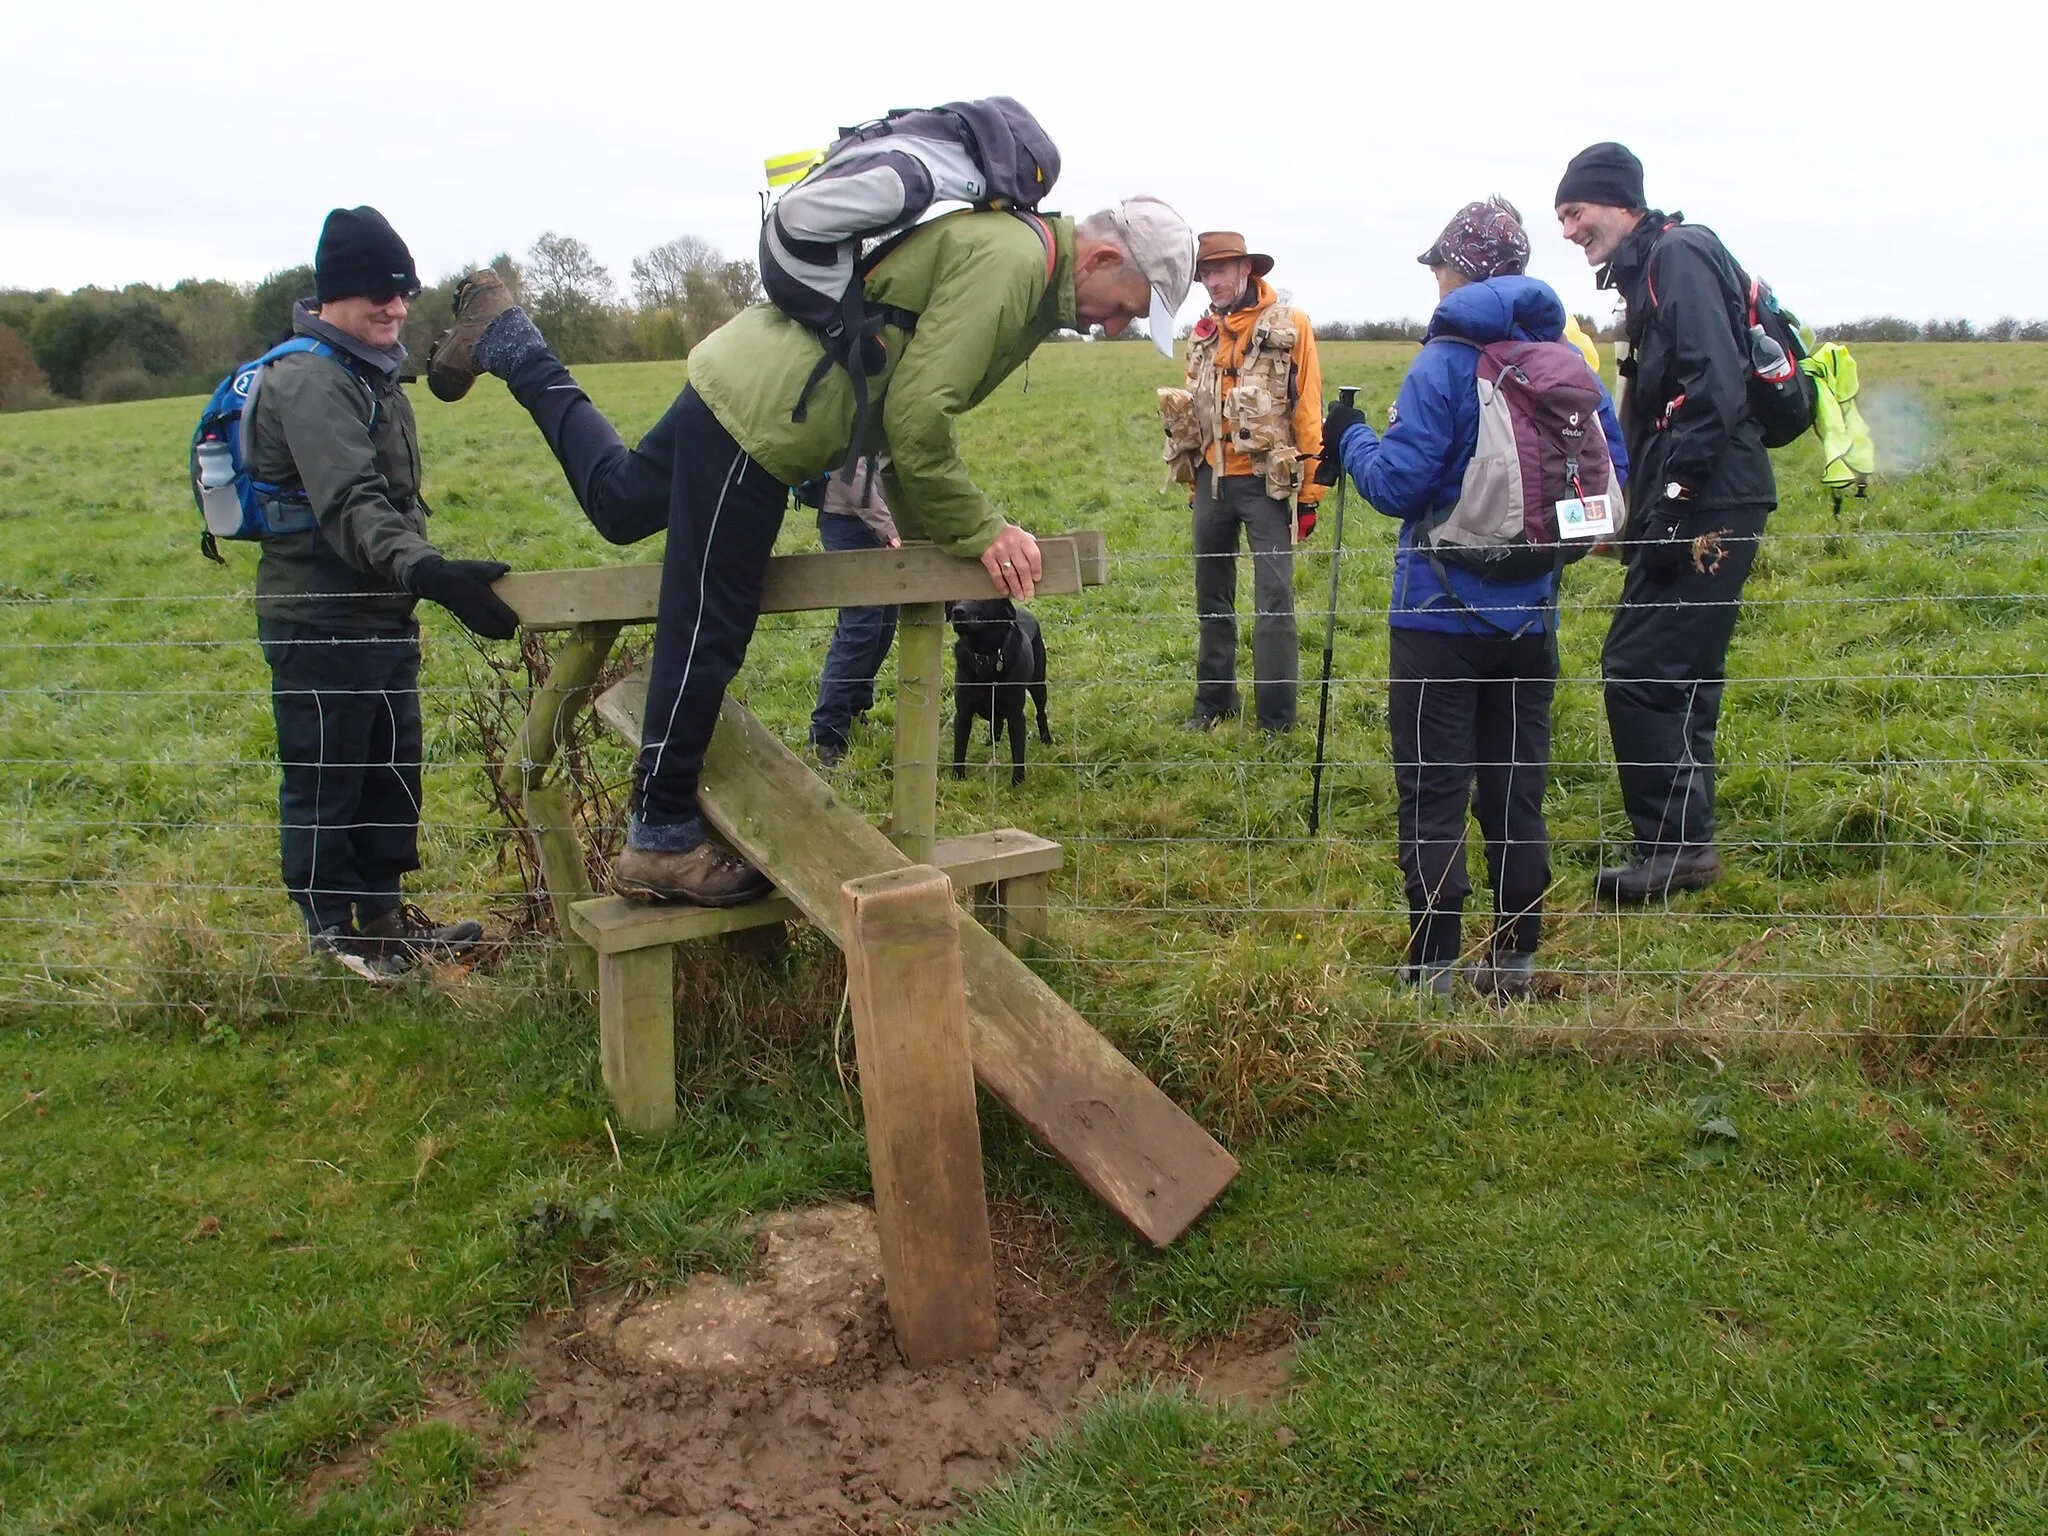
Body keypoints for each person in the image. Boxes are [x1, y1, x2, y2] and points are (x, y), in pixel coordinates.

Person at [428, 198, 1194, 905]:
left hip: (747, 377)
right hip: (766, 423)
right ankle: (658, 837)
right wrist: (986, 531)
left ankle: (512, 342)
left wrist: (934, 544)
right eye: (1126, 307)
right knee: (709, 623)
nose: (1117, 327)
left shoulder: (1015, 257)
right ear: (1097, 261)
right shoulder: (1015, 267)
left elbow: (899, 426)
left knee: (621, 502)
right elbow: (920, 417)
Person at [1319, 199, 1628, 997]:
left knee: (1433, 787)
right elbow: (1609, 473)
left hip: (1435, 615)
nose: (1433, 277)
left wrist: (1348, 435)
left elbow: (1395, 485)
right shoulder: (1566, 358)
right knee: (1516, 785)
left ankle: (1433, 969)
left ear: (1460, 272)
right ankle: (1517, 959)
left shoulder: (1445, 362)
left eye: (1438, 265)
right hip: (1531, 614)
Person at [243, 206, 519, 982]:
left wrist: (420, 575)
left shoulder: (374, 370)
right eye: (379, 295)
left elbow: (395, 504)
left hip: (380, 610)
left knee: (391, 769)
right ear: (335, 295)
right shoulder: (307, 381)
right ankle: (334, 938)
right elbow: (353, 504)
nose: (396, 309)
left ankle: (386, 922)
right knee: (329, 773)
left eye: (405, 294)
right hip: (319, 616)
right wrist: (429, 571)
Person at [1555, 141, 1777, 902]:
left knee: (1638, 668)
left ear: (1619, 201)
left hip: (1709, 501)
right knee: (1683, 673)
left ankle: (1674, 847)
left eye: (1576, 212)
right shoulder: (1658, 263)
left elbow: (1712, 389)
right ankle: (1687, 839)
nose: (1569, 230)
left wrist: (1671, 506)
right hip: (1716, 494)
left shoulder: (1676, 257)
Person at [1176, 231, 1325, 733]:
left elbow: (1308, 410)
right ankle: (1213, 705)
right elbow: (1193, 410)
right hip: (1209, 483)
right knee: (1210, 597)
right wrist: (1195, 480)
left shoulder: (1291, 324)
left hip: (1268, 485)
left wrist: (1310, 495)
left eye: (1221, 270)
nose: (1212, 282)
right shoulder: (1200, 334)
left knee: (1275, 601)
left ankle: (1277, 721)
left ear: (1246, 269)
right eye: (1205, 274)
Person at [806, 456, 900, 767]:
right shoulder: (850, 407)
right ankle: (826, 735)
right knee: (861, 627)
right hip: (847, 522)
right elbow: (848, 472)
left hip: (877, 517)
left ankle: (855, 706)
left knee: (884, 622)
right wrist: (888, 528)